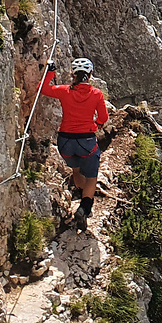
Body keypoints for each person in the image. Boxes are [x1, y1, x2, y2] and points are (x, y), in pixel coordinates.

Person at [40, 57, 108, 231]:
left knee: (76, 170)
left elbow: (43, 89)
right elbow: (103, 118)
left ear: (73, 74)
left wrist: (50, 72)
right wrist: (96, 125)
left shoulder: (64, 91)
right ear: (90, 75)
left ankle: (83, 198)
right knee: (92, 177)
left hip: (65, 142)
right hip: (86, 140)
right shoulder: (96, 94)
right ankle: (85, 207)